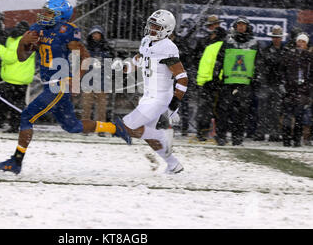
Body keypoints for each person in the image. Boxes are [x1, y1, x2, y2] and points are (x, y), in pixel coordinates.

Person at [0, 0, 131, 174]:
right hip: (48, 84)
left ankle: (16, 161)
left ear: (60, 16)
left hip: (58, 84)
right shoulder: (38, 29)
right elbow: (22, 57)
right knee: (72, 126)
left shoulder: (66, 31)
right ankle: (114, 127)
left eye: (49, 13)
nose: (44, 15)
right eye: (44, 11)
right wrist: (23, 42)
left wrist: (76, 79)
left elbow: (85, 57)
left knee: (27, 116)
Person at [119, 9, 188, 174]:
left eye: (157, 27)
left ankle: (161, 136)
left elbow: (182, 77)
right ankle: (173, 165)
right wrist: (126, 67)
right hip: (148, 95)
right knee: (146, 135)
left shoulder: (168, 47)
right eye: (151, 25)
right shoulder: (146, 41)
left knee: (127, 126)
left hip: (160, 97)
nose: (152, 29)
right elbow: (140, 57)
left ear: (167, 29)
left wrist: (175, 102)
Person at [214, 16, 260, 146]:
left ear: (247, 27)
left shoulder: (254, 43)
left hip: (245, 83)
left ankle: (237, 138)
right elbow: (219, 60)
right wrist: (216, 75)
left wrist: (256, 78)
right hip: (228, 82)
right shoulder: (227, 41)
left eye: (243, 25)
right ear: (235, 27)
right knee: (223, 111)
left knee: (241, 113)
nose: (241, 27)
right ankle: (221, 136)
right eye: (238, 25)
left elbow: (258, 63)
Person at [0, 21, 34, 133]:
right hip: (19, 77)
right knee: (16, 104)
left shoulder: (19, 41)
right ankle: (16, 124)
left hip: (15, 77)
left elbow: (11, 57)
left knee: (12, 104)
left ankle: (15, 125)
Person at [195, 15, 227, 141]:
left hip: (216, 80)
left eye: (215, 25)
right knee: (206, 109)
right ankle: (204, 133)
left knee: (218, 109)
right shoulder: (204, 42)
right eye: (211, 25)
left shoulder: (222, 42)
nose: (213, 27)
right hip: (208, 80)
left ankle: (216, 135)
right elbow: (196, 59)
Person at [254, 25, 286, 142]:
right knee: (262, 110)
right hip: (266, 84)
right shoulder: (266, 51)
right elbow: (260, 67)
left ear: (281, 38)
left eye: (278, 37)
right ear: (272, 38)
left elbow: (286, 69)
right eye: (274, 37)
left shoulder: (285, 51)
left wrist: (283, 82)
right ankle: (260, 133)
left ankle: (274, 134)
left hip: (278, 85)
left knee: (275, 111)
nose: (276, 39)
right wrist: (263, 80)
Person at [280, 32, 312, 147]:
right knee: (287, 115)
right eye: (299, 41)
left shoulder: (309, 57)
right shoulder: (289, 55)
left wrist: (308, 89)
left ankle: (297, 139)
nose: (301, 44)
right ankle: (286, 139)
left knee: (299, 116)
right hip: (289, 90)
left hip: (302, 91)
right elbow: (282, 70)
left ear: (306, 44)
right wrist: (283, 83)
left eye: (303, 42)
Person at [81, 25, 115, 133]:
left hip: (102, 81)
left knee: (101, 108)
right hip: (88, 81)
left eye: (98, 34)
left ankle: (101, 129)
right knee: (86, 107)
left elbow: (112, 64)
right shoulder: (86, 48)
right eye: (94, 34)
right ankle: (86, 128)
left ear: (101, 35)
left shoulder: (107, 49)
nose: (96, 36)